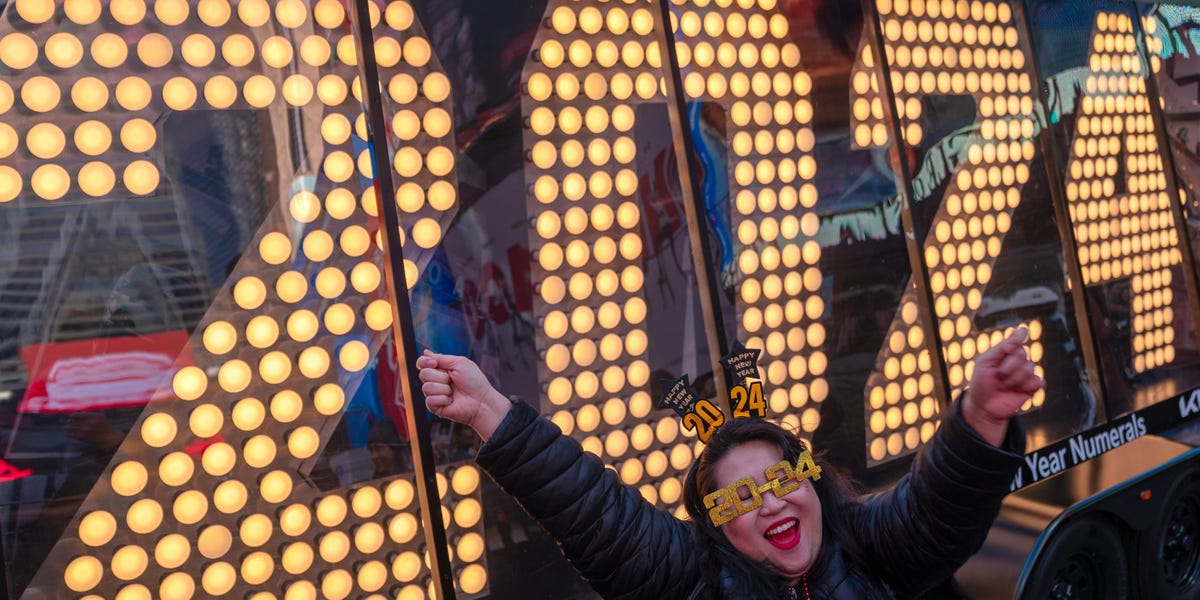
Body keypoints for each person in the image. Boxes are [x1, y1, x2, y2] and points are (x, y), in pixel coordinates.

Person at [416, 330, 1042, 599]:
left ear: (811, 482)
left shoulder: (866, 547)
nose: (770, 503)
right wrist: (490, 412)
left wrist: (982, 417)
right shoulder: (692, 581)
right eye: (738, 499)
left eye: (779, 481)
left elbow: (936, 513)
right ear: (716, 525)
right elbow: (596, 514)